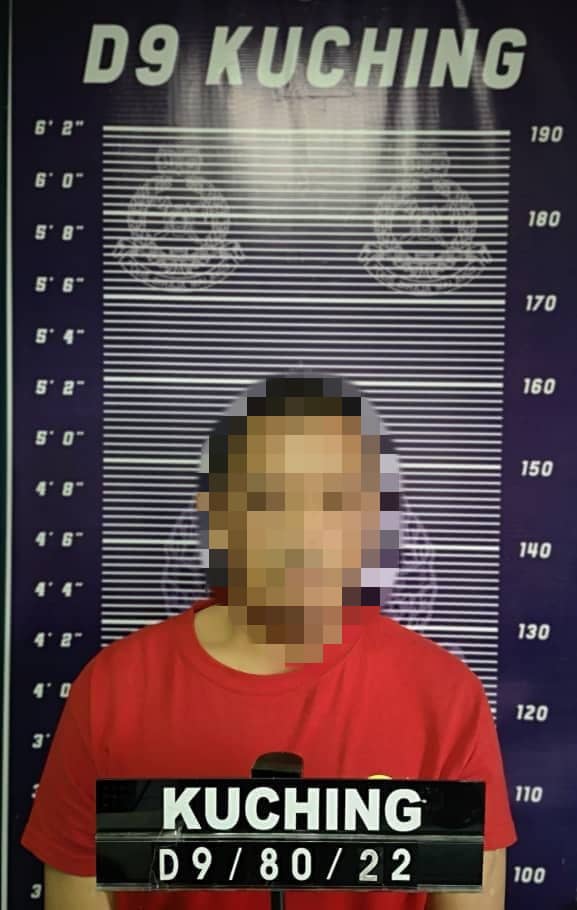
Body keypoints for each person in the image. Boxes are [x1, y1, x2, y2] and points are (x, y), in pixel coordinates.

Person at [20, 372, 517, 910]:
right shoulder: (113, 690)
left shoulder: (445, 698)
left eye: (335, 499)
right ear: (215, 514)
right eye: (269, 497)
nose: (303, 531)